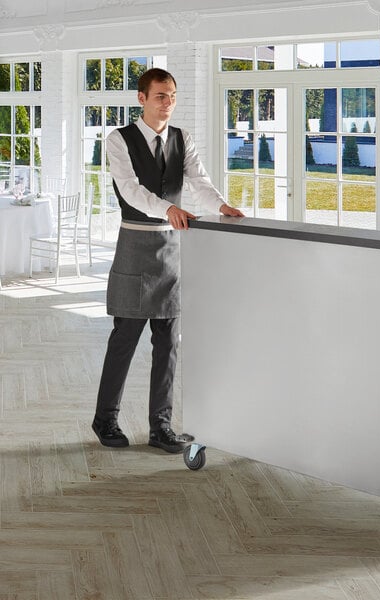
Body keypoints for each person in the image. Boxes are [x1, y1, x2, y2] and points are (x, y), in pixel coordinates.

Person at [92, 67, 243, 453]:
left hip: (172, 253)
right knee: (124, 339)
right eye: (161, 96)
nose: (168, 103)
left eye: (172, 95)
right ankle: (105, 418)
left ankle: (161, 427)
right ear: (141, 99)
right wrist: (169, 209)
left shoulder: (181, 138)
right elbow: (130, 190)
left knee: (169, 344)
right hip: (135, 247)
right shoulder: (118, 139)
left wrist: (222, 206)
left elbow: (200, 181)